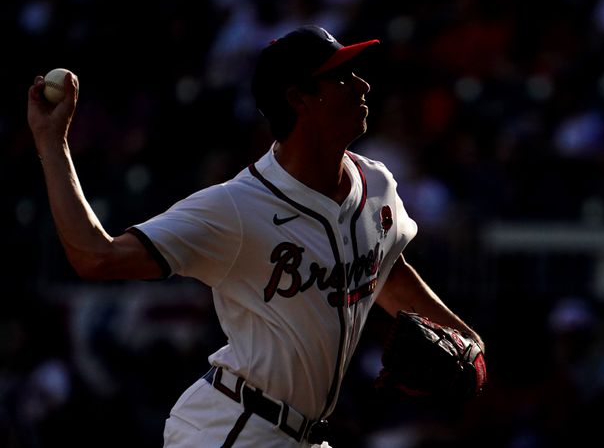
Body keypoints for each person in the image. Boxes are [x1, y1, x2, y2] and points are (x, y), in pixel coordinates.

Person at [27, 24, 484, 448]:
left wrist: (467, 340)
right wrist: (53, 142)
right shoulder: (236, 207)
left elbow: (387, 268)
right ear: (300, 99)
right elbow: (97, 258)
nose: (362, 85)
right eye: (341, 77)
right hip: (234, 428)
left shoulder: (378, 185)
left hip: (305, 435)